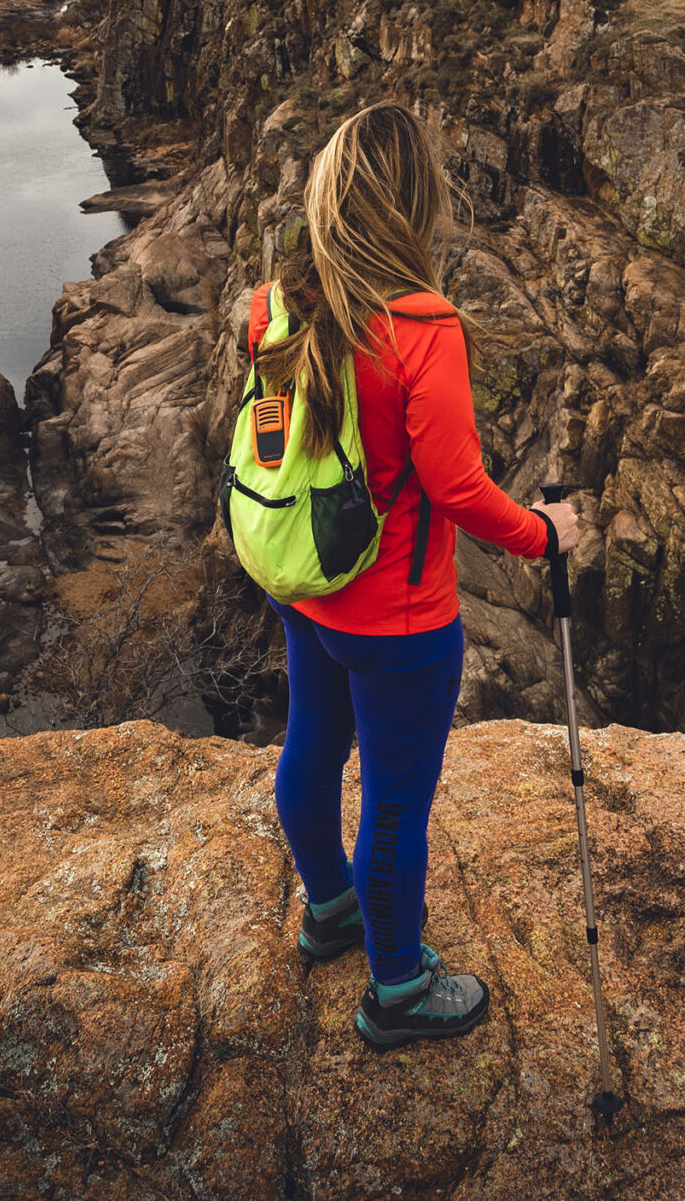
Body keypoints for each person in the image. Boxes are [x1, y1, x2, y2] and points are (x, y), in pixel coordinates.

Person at [244, 103, 579, 1048]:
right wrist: (544, 533)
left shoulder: (282, 306)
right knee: (395, 798)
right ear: (410, 206)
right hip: (395, 619)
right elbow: (458, 486)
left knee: (310, 741)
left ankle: (331, 912)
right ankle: (398, 987)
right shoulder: (421, 329)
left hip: (305, 585)